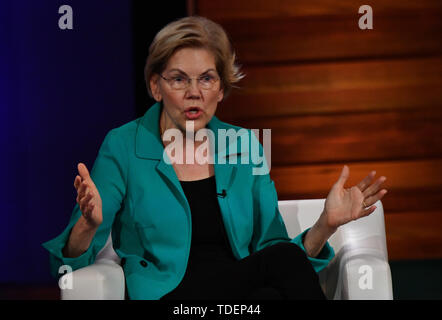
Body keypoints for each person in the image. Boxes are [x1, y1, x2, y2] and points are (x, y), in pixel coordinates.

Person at [42, 16, 388, 300]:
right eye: (178, 79)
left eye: (207, 79)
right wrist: (87, 227)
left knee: (274, 281)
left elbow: (274, 248)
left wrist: (327, 223)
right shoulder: (122, 145)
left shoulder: (244, 145)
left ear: (221, 89)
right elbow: (68, 263)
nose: (194, 92)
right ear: (155, 87)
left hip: (236, 296)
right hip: (171, 299)